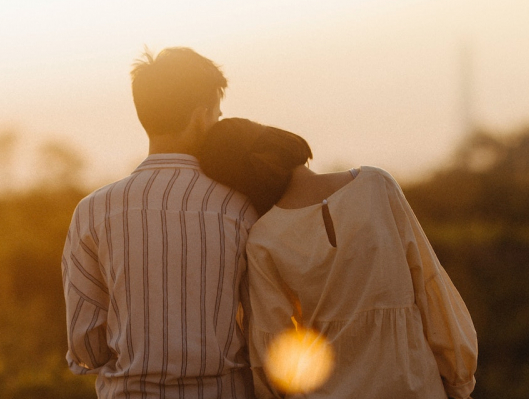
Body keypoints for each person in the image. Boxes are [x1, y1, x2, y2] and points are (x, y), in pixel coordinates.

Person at [198, 118, 478, 399]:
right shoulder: (377, 185)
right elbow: (430, 286)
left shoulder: (263, 239)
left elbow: (273, 350)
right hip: (416, 387)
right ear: (279, 139)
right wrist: (459, 381)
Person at [62, 48, 259, 399]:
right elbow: (264, 327)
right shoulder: (239, 207)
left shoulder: (93, 211)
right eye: (216, 114)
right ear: (201, 117)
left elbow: (86, 347)